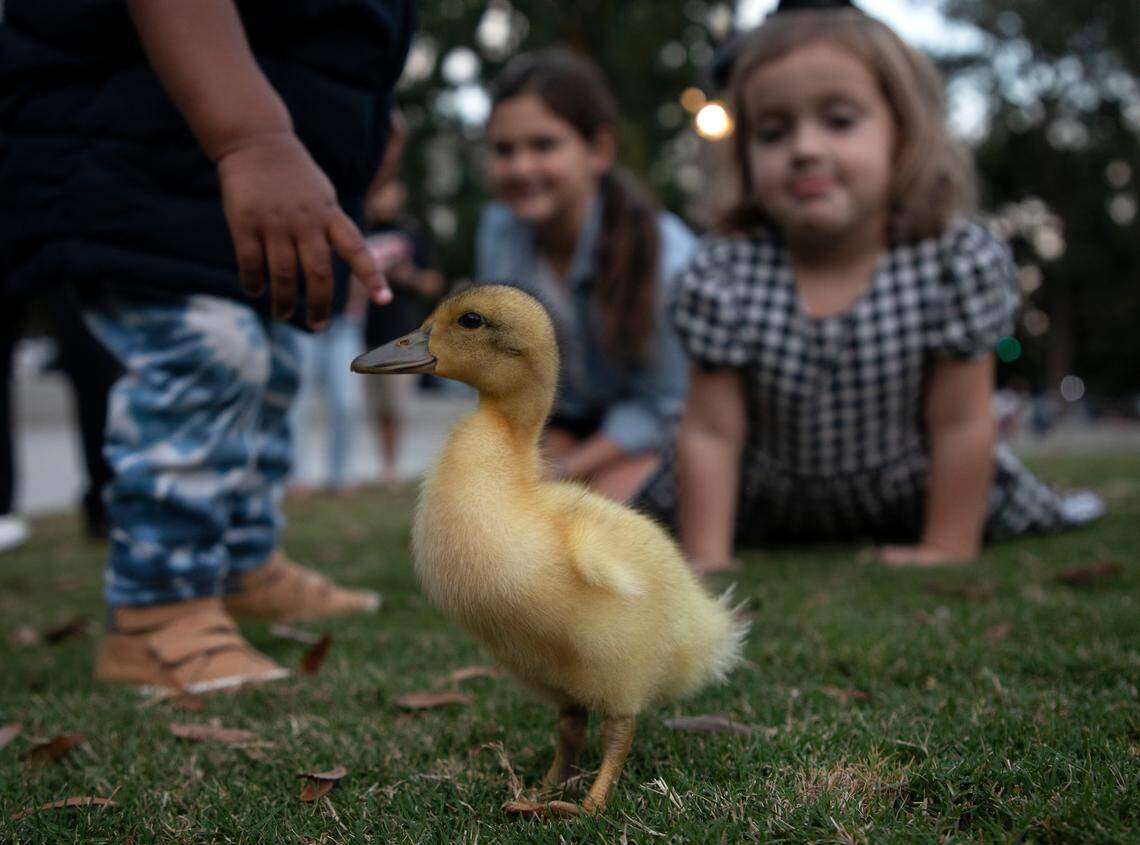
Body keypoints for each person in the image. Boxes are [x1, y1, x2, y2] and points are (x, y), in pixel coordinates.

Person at [0, 0, 414, 692]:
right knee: (206, 353)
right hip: (138, 154)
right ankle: (157, 612)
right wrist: (252, 139)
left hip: (244, 167)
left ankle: (240, 561)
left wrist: (364, 117)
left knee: (274, 355)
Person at [637, 0, 1104, 573]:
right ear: (744, 152)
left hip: (911, 496)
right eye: (774, 131)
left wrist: (947, 547)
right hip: (765, 504)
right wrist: (706, 555)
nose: (805, 148)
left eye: (839, 120)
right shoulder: (722, 275)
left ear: (902, 134)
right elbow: (711, 433)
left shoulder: (953, 261)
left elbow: (960, 423)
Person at [476, 49, 697, 503]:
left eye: (543, 145)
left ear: (598, 150)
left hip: (664, 430)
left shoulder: (663, 255)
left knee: (589, 526)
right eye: (504, 150)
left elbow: (669, 406)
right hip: (571, 423)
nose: (520, 168)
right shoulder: (500, 233)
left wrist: (565, 469)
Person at [360, 114, 446, 486]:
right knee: (370, 407)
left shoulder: (412, 234)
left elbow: (433, 282)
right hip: (362, 330)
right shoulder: (359, 230)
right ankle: (381, 463)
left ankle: (391, 469)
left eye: (391, 190)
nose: (385, 197)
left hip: (400, 333)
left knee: (395, 406)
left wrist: (406, 277)